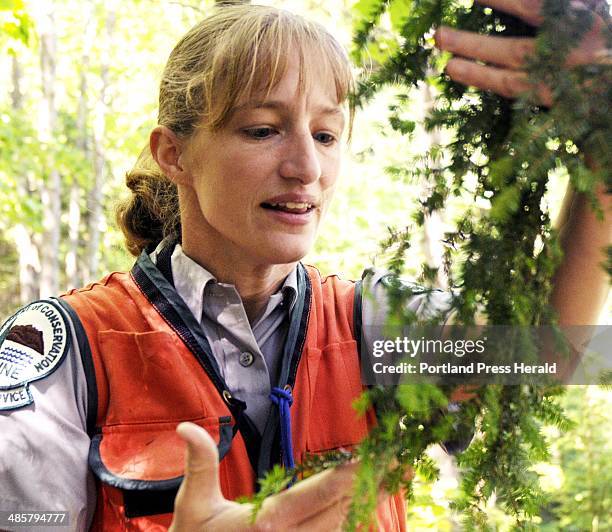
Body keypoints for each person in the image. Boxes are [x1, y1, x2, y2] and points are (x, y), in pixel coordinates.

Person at [0, 2, 609, 531]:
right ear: (174, 155)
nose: (306, 168)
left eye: (325, 135)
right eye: (263, 130)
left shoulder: (376, 325)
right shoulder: (70, 352)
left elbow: (551, 353)